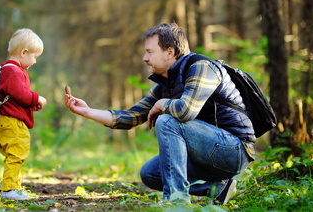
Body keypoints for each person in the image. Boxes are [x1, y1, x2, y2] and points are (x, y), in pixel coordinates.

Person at [65, 23, 255, 205]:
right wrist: (87, 111)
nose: (144, 58)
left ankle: (176, 200)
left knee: (167, 120)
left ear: (170, 52)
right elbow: (131, 117)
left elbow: (186, 111)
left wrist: (163, 104)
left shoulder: (201, 67)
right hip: (207, 152)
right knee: (150, 173)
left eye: (149, 52)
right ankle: (217, 189)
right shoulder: (166, 84)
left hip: (234, 150)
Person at [0, 28, 47, 200]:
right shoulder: (13, 70)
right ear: (24, 52)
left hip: (12, 120)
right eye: (34, 57)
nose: (35, 61)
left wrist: (30, 106)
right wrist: (36, 98)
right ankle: (9, 190)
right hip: (12, 122)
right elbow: (17, 92)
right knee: (16, 154)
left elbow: (14, 98)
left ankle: (14, 188)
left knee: (17, 154)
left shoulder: (11, 70)